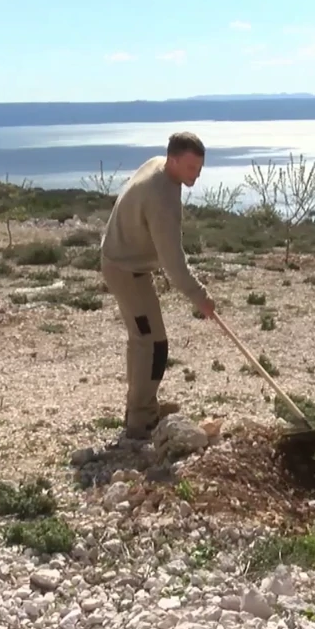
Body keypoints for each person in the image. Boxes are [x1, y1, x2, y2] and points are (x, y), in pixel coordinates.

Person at [99, 132, 216, 442]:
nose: (197, 175)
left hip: (125, 261)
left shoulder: (159, 165)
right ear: (174, 160)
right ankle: (141, 422)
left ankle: (142, 407)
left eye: (200, 168)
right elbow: (173, 262)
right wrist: (200, 297)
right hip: (125, 269)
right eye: (191, 168)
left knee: (143, 340)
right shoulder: (162, 197)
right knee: (153, 345)